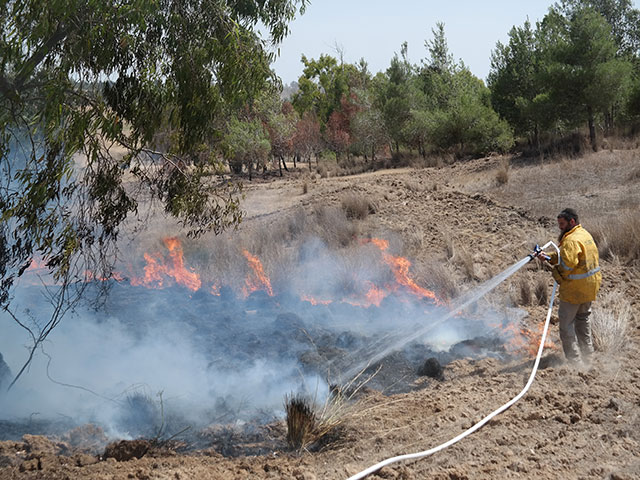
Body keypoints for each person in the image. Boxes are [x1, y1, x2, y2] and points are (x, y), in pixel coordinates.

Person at [536, 208, 602, 365]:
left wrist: (555, 275)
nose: (560, 227)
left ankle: (575, 363)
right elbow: (565, 257)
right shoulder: (584, 234)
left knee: (566, 327)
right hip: (590, 287)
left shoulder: (571, 240)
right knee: (583, 321)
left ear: (572, 222)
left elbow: (566, 266)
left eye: (562, 224)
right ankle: (588, 357)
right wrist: (548, 257)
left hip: (574, 291)